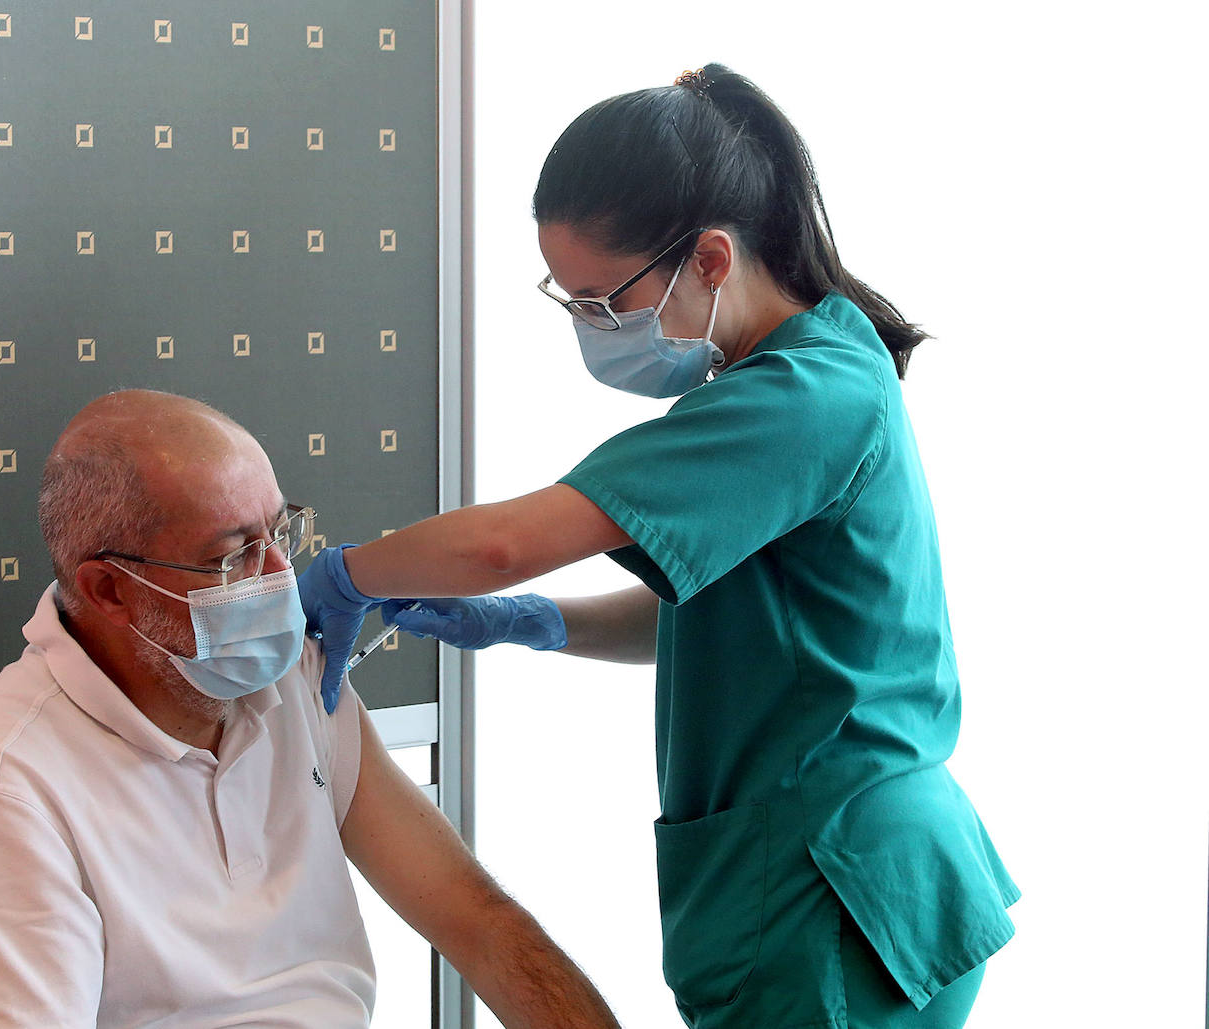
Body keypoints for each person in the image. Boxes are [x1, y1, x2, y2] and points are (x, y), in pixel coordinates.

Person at [296, 64, 1019, 1029]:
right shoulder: (789, 375)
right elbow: (725, 617)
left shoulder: (801, 398)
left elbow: (512, 540)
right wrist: (534, 624)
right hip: (842, 873)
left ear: (711, 260)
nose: (594, 329)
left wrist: (348, 575)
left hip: (833, 892)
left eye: (604, 301)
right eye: (570, 300)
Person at [0, 390, 620, 1029]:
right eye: (233, 556)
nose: (281, 578)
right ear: (110, 591)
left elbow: (478, 919)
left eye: (280, 531)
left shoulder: (295, 683)